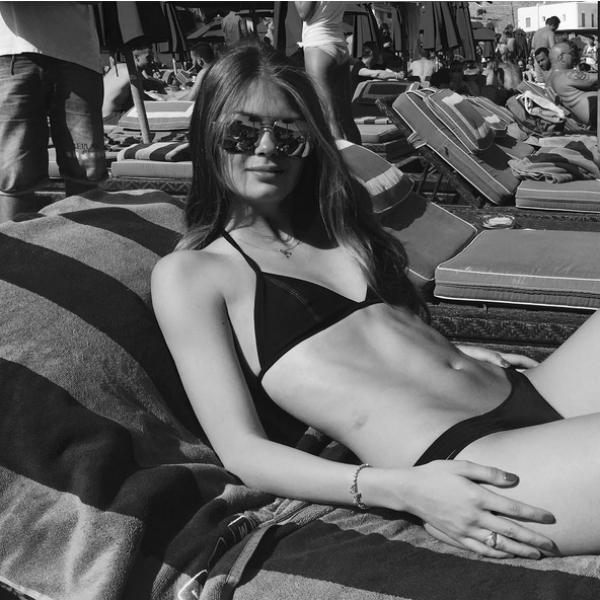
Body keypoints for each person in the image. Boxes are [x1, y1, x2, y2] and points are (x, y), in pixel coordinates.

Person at [152, 41, 600, 561]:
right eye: (243, 131)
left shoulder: (340, 228)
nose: (268, 148)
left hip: (530, 389)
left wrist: (454, 353)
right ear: (208, 135)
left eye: (290, 133)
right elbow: (242, 450)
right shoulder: (193, 274)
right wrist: (400, 490)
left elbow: (382, 342)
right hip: (471, 461)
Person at [0, 1, 106, 223]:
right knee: (14, 170)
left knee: (85, 165)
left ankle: (88, 241)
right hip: (13, 53)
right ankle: (12, 245)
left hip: (77, 55)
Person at [295, 1, 361, 144]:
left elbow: (304, 13)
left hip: (318, 44)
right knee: (346, 118)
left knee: (328, 115)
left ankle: (338, 158)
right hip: (339, 43)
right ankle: (360, 157)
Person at [102, 42, 167, 125]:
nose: (152, 61)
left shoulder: (117, 67)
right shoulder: (132, 73)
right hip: (111, 117)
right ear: (136, 58)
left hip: (100, 114)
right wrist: (164, 101)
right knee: (156, 118)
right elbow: (141, 100)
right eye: (149, 57)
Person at [546, 42, 598, 126]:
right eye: (571, 54)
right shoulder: (566, 75)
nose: (573, 57)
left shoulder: (549, 81)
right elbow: (595, 78)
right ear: (562, 57)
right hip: (594, 115)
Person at [532, 17, 560, 83]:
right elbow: (553, 49)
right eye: (556, 27)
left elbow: (532, 46)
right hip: (546, 61)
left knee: (540, 84)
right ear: (554, 25)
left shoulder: (537, 31)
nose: (556, 30)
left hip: (537, 61)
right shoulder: (550, 33)